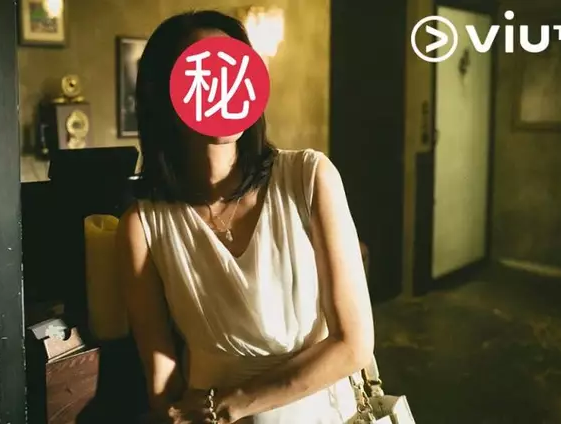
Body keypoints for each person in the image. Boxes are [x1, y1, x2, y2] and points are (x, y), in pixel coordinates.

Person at [116, 10, 374, 424]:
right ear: (163, 94)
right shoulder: (142, 226)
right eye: (203, 72)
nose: (222, 85)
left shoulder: (309, 177)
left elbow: (354, 345)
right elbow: (161, 375)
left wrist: (233, 404)